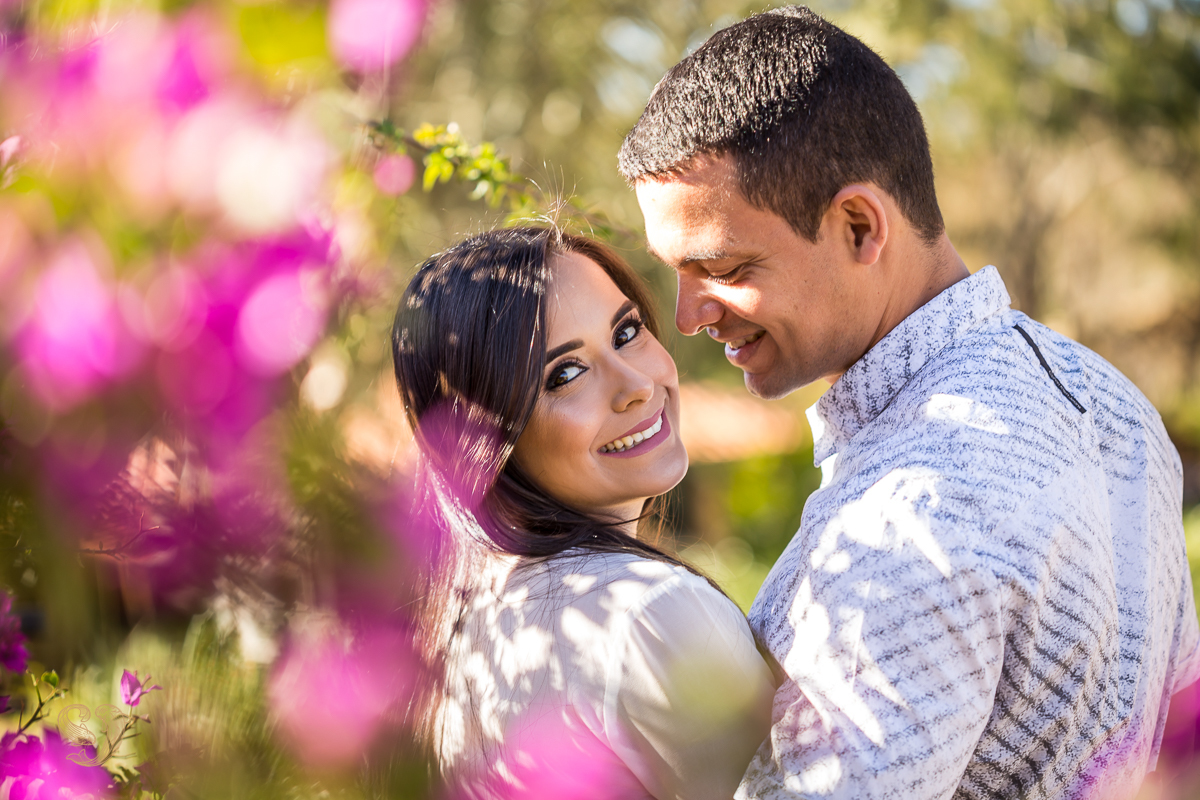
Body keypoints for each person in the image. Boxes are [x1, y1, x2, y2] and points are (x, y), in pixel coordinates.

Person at [619, 6, 1200, 800]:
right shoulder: (1112, 402)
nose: (687, 318)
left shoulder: (900, 527)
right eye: (673, 273)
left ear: (860, 225)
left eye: (722, 266)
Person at [390, 227, 775, 799]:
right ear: (487, 441)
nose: (637, 385)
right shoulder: (645, 613)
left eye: (626, 332)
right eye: (564, 374)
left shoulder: (462, 624)